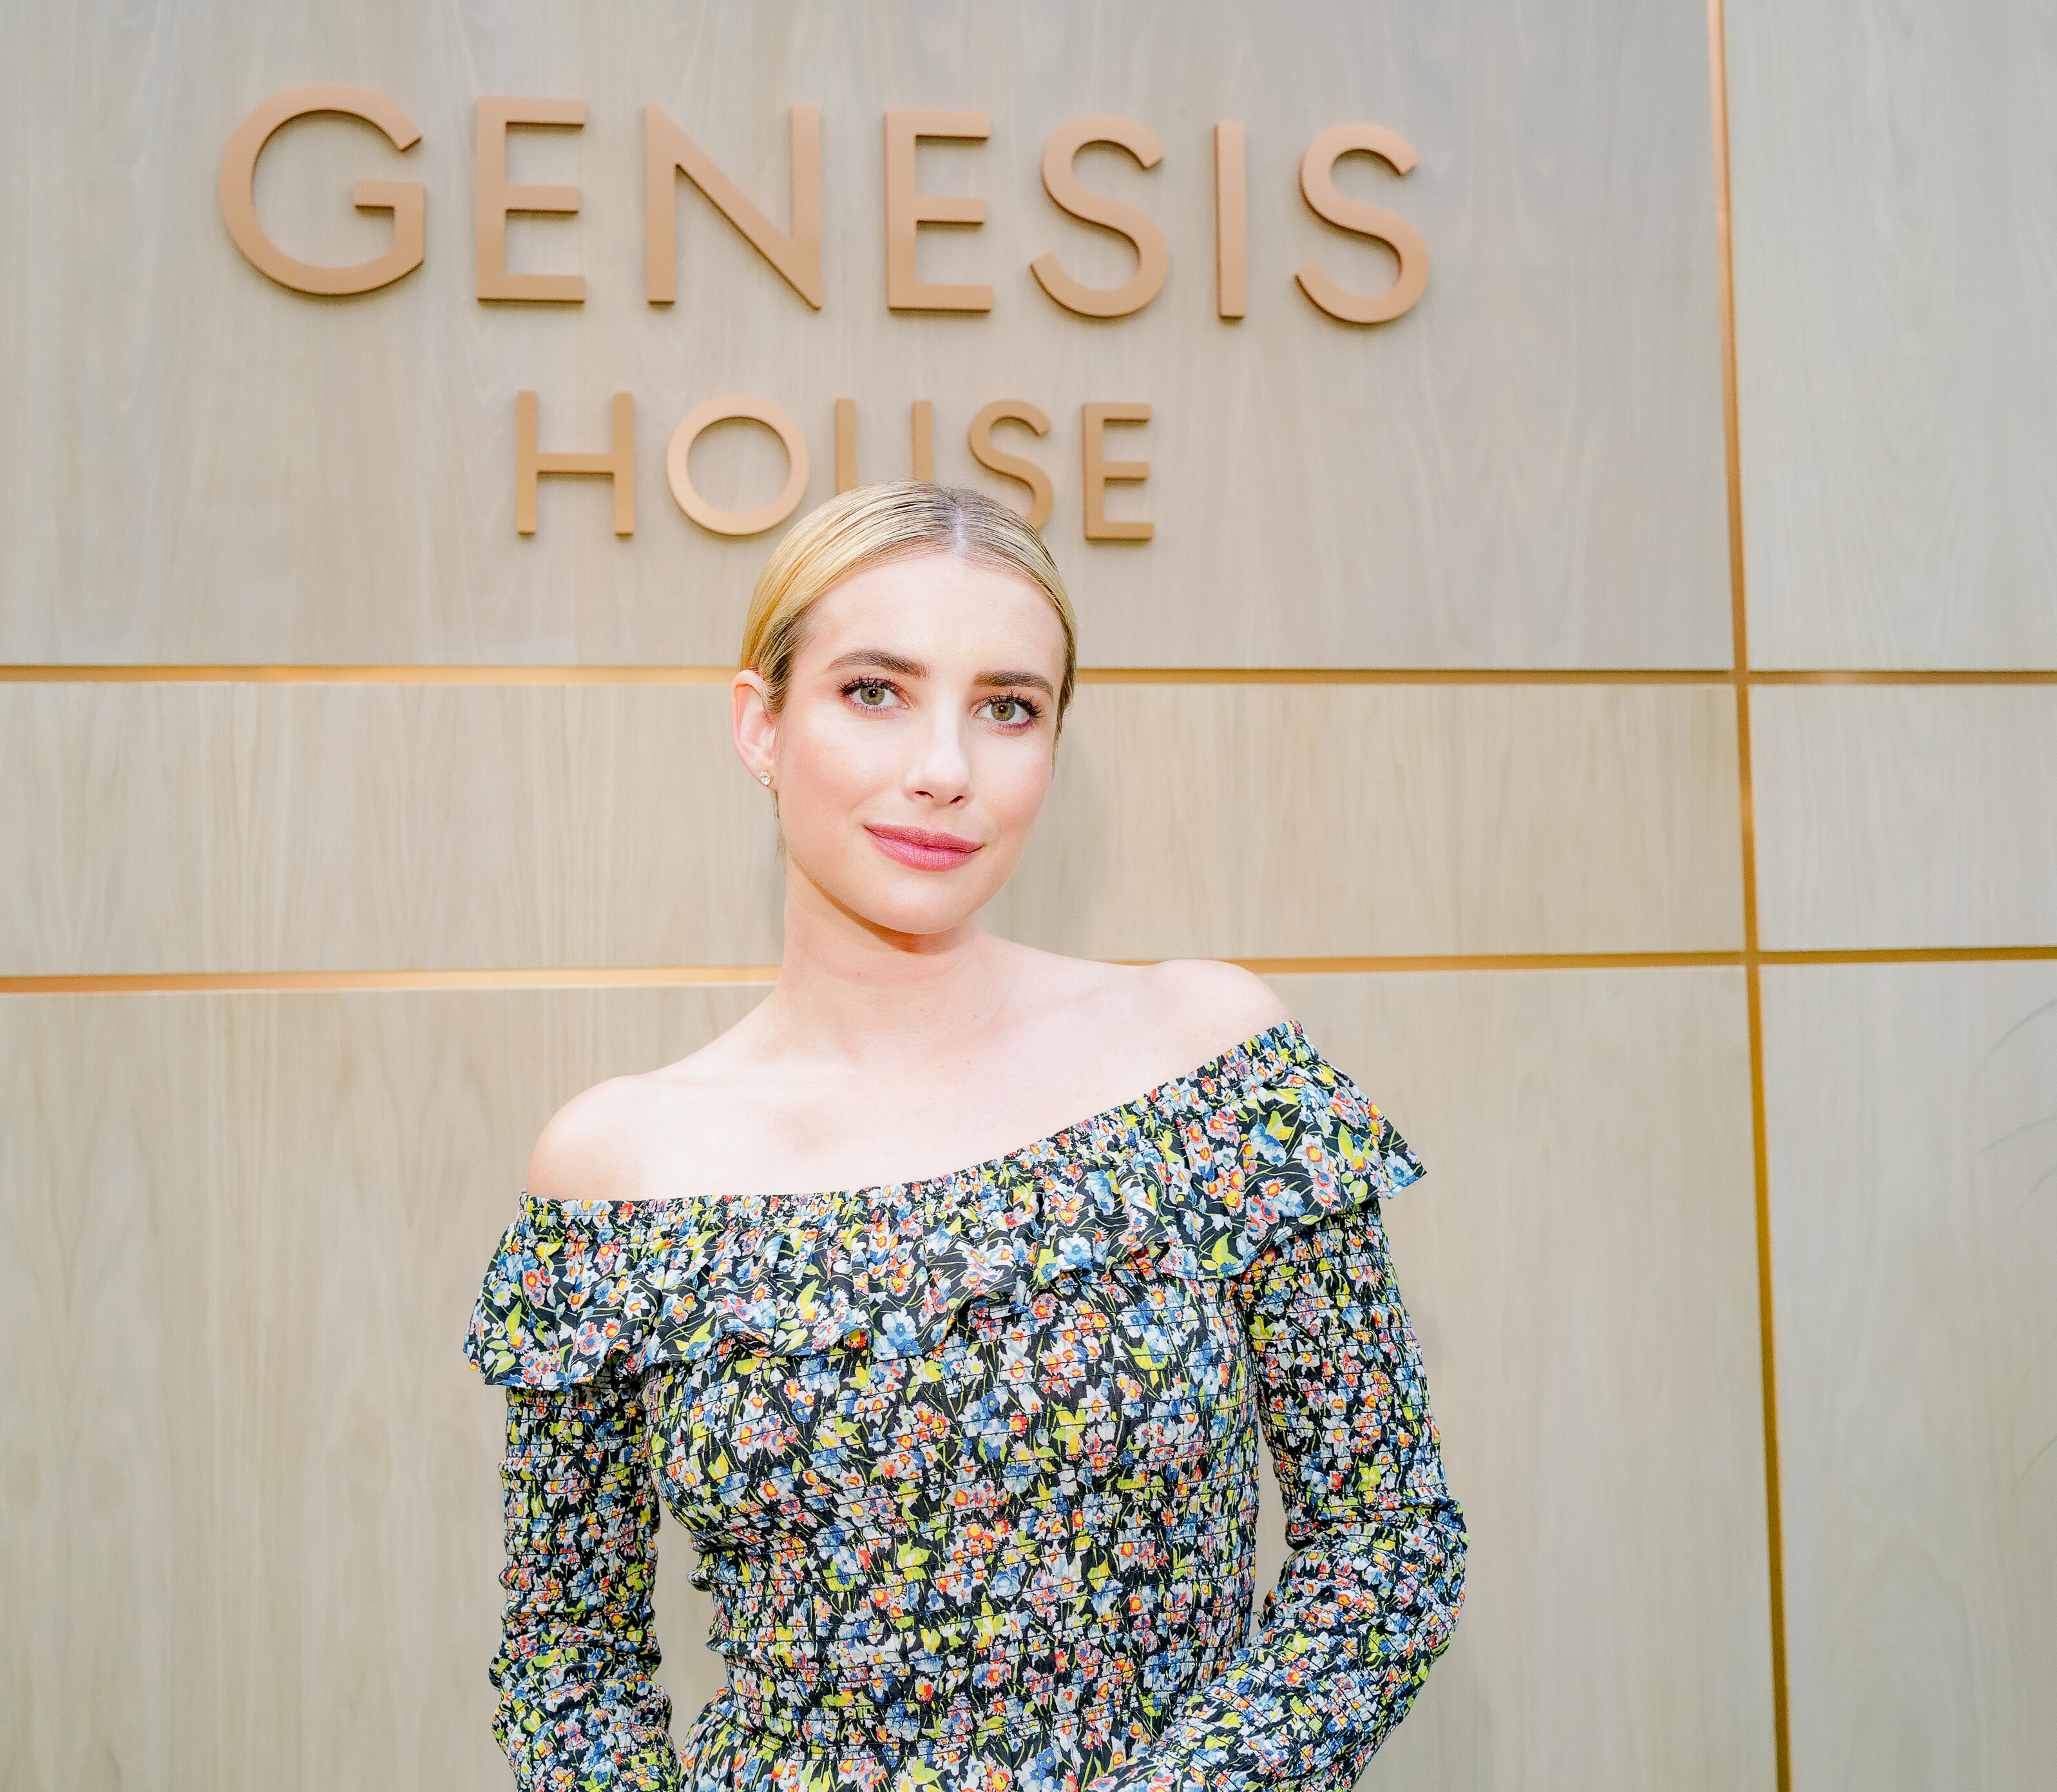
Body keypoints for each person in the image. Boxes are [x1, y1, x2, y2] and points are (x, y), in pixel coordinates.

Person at [465, 482, 1466, 1791]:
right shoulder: (619, 1168)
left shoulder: (1205, 1055)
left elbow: (1384, 1545)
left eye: (1007, 707)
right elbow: (568, 1663)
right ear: (760, 723)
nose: (945, 766)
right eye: (875, 690)